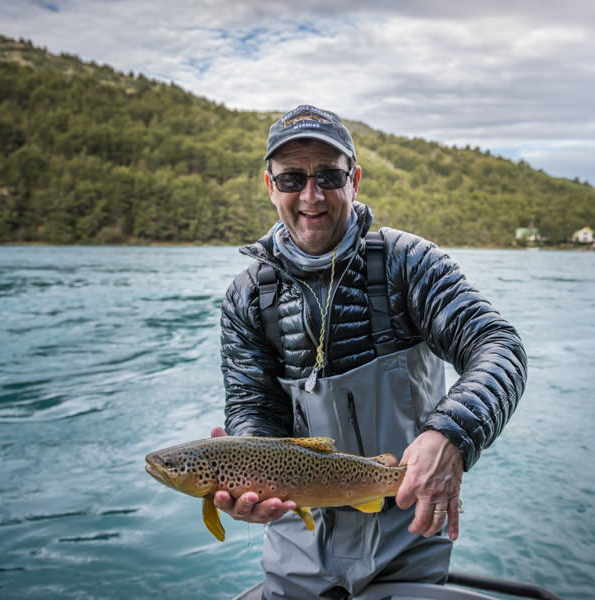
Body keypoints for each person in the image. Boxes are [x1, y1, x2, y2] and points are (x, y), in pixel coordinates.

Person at [214, 104, 527, 599]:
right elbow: (253, 410)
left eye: (329, 176)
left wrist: (451, 433)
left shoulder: (409, 265)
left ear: (354, 180)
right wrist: (248, 472)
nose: (311, 195)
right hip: (296, 546)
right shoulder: (248, 297)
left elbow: (498, 345)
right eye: (293, 178)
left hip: (408, 544)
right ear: (270, 186)